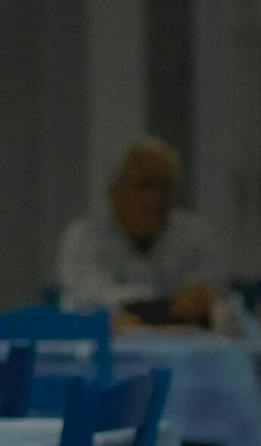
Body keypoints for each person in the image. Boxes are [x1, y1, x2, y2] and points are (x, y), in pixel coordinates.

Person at [55, 135, 227, 327]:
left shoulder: (197, 234)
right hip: (113, 353)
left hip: (184, 352)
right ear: (114, 192)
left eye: (166, 186)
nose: (157, 196)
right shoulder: (83, 237)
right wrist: (164, 307)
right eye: (145, 185)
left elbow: (216, 298)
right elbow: (89, 302)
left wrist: (201, 299)